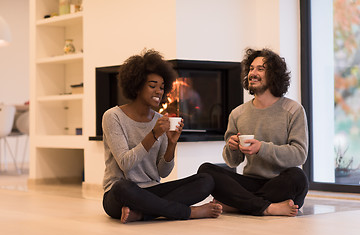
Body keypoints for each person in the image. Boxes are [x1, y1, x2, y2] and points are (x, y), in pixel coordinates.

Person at [102, 49, 222, 223]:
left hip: (152, 191)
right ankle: (188, 212)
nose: (158, 91)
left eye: (161, 87)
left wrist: (172, 144)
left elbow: (162, 173)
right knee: (122, 187)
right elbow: (126, 164)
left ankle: (143, 214)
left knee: (206, 180)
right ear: (136, 86)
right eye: (152, 86)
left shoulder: (160, 120)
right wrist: (154, 135)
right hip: (121, 195)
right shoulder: (113, 117)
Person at [198, 48, 309, 217]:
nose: (253, 73)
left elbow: (299, 154)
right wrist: (232, 147)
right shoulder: (238, 114)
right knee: (206, 170)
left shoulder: (293, 110)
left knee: (298, 177)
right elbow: (232, 162)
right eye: (251, 68)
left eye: (260, 69)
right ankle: (268, 207)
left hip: (281, 183)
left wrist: (261, 148)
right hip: (250, 182)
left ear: (274, 75)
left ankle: (238, 205)